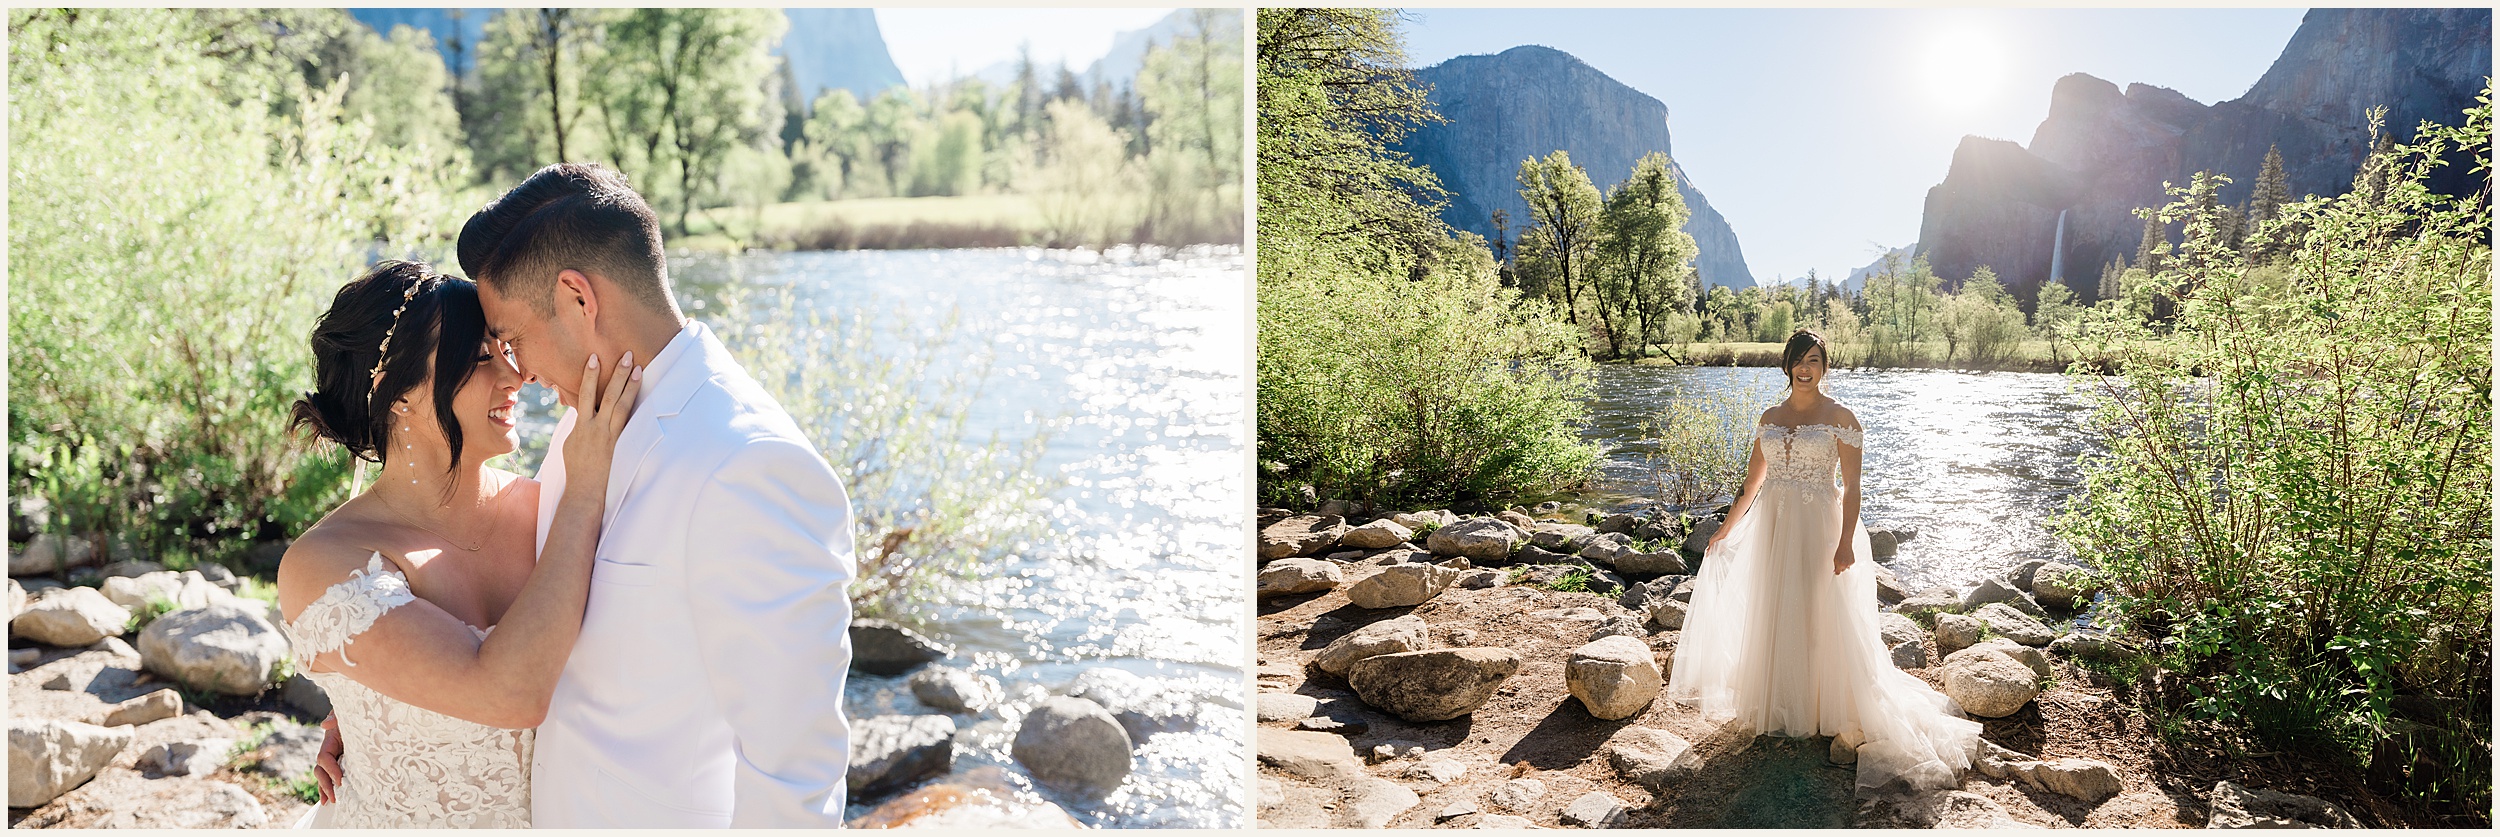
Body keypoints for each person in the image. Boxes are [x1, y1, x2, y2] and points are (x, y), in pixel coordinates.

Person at [459, 162, 857, 827]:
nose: (517, 372)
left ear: (578, 300)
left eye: (513, 338)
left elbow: (794, 771)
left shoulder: (751, 464)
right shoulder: (578, 428)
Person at [278, 261, 642, 827]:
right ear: (397, 393)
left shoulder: (546, 505)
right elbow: (507, 694)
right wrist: (584, 493)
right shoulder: (325, 564)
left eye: (506, 348)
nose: (515, 376)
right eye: (478, 359)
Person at [1665, 329, 1982, 794]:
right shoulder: (1769, 417)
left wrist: (1847, 542)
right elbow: (1751, 485)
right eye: (1799, 359)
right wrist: (1726, 529)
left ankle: (1823, 706)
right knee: (1776, 607)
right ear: (1787, 365)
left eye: (1814, 359)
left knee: (1819, 611)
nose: (1806, 367)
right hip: (1774, 529)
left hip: (1821, 528)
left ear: (1824, 365)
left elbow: (1852, 487)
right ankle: (1783, 703)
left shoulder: (1841, 417)